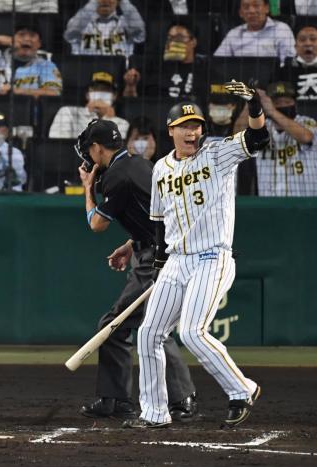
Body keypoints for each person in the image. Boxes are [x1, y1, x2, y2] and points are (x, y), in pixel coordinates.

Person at [128, 88, 269, 429]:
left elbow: (258, 137)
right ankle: (155, 413)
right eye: (184, 125)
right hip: (177, 261)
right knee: (148, 334)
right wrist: (160, 266)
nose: (192, 132)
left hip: (212, 256)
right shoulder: (161, 168)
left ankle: (242, 390)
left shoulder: (218, 153)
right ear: (171, 130)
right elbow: (159, 225)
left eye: (197, 125)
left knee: (192, 332)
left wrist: (254, 104)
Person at [75, 119, 197, 422]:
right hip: (155, 249)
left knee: (130, 325)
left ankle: (175, 399)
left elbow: (96, 224)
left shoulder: (117, 176)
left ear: (96, 148)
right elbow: (154, 216)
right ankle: (124, 399)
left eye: (89, 150)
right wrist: (131, 244)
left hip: (159, 257)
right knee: (142, 324)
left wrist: (88, 189)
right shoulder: (139, 163)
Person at [0, 21, 62, 96]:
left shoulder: (46, 65)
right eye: (22, 34)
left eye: (32, 36)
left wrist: (16, 91)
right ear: (12, 40)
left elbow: (54, 92)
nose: (27, 39)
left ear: (39, 44)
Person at [255, 81, 317, 195]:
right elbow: (238, 134)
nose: (283, 105)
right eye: (278, 102)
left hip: (303, 203)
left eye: (287, 102)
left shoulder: (307, 122)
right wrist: (251, 103)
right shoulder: (260, 126)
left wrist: (273, 112)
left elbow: (306, 137)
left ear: (295, 103)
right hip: (268, 204)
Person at [123, 22, 207, 102]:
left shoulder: (204, 69)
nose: (173, 42)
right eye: (170, 38)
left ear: (193, 42)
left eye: (179, 38)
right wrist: (130, 86)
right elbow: (131, 104)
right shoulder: (152, 67)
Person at [49, 71, 128, 138]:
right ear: (87, 94)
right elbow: (58, 143)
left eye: (105, 90)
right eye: (96, 89)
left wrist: (108, 119)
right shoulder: (67, 112)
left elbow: (118, 152)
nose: (100, 93)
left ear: (114, 96)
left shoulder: (122, 123)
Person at [214, 0, 294, 59]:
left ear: (267, 8)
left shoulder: (282, 29)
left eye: (256, 5)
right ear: (240, 13)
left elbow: (288, 61)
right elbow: (219, 61)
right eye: (246, 7)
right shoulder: (234, 33)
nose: (251, 11)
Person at [64, 0, 146, 56]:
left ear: (117, 2)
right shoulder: (81, 22)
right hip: (85, 76)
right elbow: (70, 35)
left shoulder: (126, 22)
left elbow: (140, 34)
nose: (106, 0)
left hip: (119, 75)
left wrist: (124, 2)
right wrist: (93, 3)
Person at [277, 25, 317, 103]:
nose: (308, 43)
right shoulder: (283, 71)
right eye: (302, 40)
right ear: (295, 46)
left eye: (313, 39)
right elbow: (278, 91)